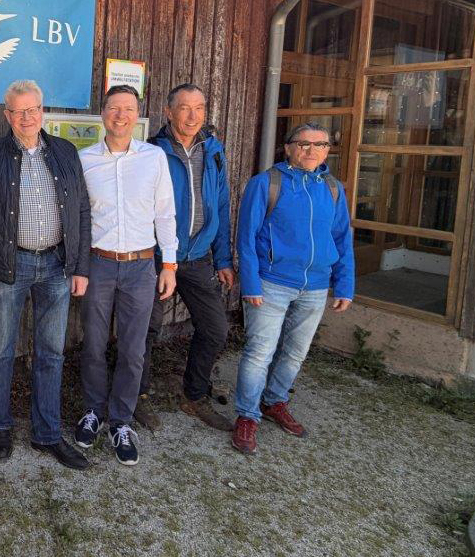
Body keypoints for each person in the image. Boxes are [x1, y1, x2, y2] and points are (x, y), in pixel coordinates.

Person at [0, 79, 91, 471]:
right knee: (1, 351)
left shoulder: (66, 153)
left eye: (33, 109)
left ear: (43, 111)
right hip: (9, 265)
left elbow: (83, 213)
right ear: (7, 115)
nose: (27, 117)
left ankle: (47, 433)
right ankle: (0, 425)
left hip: (56, 265)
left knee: (51, 353)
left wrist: (80, 266)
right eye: (18, 111)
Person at [231, 123, 353, 454]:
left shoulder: (333, 189)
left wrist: (344, 285)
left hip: (315, 286)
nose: (312, 150)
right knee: (259, 352)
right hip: (271, 284)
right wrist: (251, 283)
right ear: (288, 148)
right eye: (304, 144)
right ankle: (247, 415)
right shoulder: (266, 184)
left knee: (296, 352)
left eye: (321, 144)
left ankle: (275, 401)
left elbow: (342, 239)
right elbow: (246, 238)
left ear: (328, 150)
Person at [74, 85, 177, 466]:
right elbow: (78, 218)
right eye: (114, 108)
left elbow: (165, 213)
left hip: (141, 266)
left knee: (134, 349)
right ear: (102, 113)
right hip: (98, 263)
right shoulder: (84, 160)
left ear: (138, 115)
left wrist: (170, 265)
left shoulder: (154, 158)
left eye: (128, 109)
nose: (121, 115)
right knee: (94, 345)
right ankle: (93, 412)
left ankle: (121, 420)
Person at [137, 83, 235, 432]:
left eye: (199, 108)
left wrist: (223, 259)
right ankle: (137, 398)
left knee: (214, 329)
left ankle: (194, 397)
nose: (193, 115)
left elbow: (220, 206)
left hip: (198, 257)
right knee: (144, 330)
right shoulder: (152, 152)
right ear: (168, 111)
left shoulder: (214, 152)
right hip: (157, 257)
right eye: (184, 108)